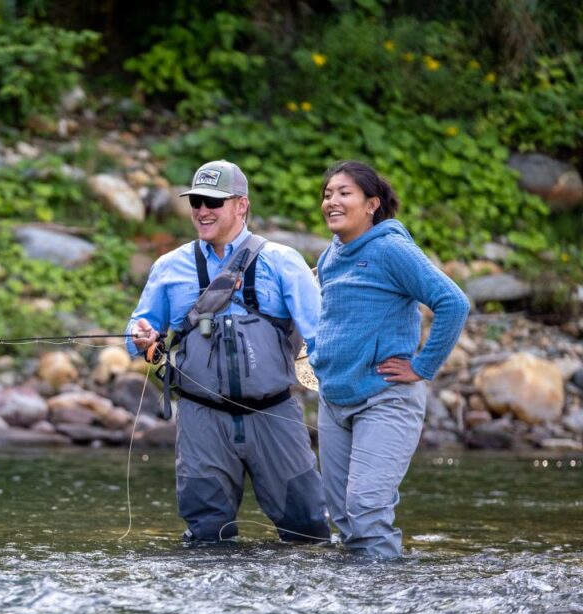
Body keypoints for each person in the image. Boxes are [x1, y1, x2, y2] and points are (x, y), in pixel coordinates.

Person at [127, 159, 331, 544]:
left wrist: (342, 395)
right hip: (201, 417)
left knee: (308, 530)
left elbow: (321, 336)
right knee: (206, 536)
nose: (202, 210)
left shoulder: (282, 261)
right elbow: (138, 328)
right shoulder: (169, 266)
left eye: (213, 202)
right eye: (197, 201)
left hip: (274, 413)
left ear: (242, 205)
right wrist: (142, 337)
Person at [311, 160, 470, 560]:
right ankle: (357, 603)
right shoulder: (330, 256)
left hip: (385, 398)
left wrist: (422, 366)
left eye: (344, 193)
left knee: (366, 510)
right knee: (345, 518)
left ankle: (385, 598)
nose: (332, 201)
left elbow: (453, 302)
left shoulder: (391, 249)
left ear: (371, 204)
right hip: (334, 401)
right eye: (328, 194)